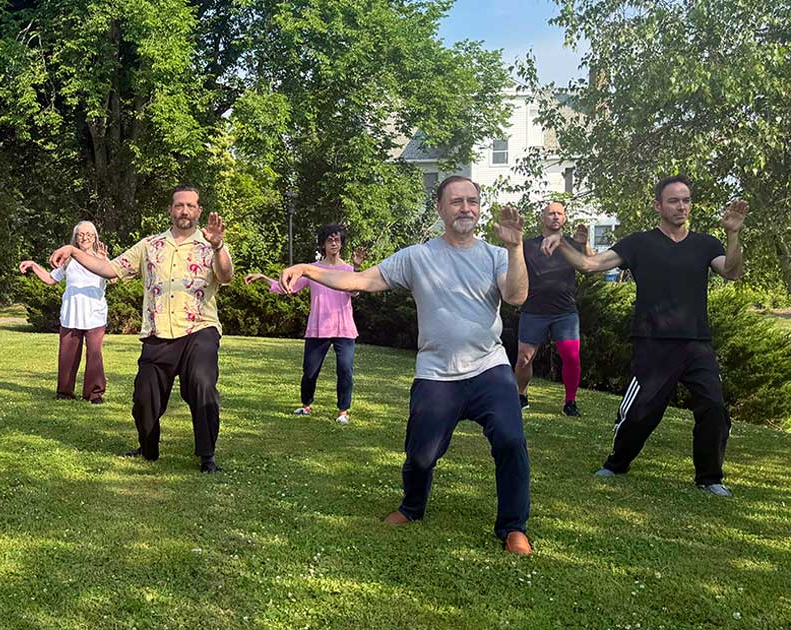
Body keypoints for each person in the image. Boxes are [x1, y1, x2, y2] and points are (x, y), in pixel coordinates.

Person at [278, 176, 533, 554]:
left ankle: (513, 527)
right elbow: (360, 281)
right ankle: (412, 507)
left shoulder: (496, 256)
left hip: (489, 368)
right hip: (436, 374)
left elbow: (516, 295)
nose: (466, 208)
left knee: (511, 441)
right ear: (440, 208)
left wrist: (515, 249)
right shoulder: (417, 257)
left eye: (472, 201)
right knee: (420, 454)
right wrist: (308, 269)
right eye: (457, 201)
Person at [541, 175, 748, 497]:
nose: (682, 206)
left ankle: (710, 477)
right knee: (640, 413)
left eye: (686, 200)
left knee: (714, 408)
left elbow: (733, 272)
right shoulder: (638, 243)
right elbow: (589, 264)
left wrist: (733, 235)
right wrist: (562, 243)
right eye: (674, 200)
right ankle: (617, 463)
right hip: (653, 342)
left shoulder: (706, 244)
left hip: (696, 343)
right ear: (658, 206)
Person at [48, 184, 233, 473]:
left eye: (190, 206)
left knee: (202, 383)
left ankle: (207, 456)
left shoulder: (210, 244)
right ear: (171, 210)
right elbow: (111, 269)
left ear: (198, 210)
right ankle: (148, 449)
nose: (184, 210)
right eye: (178, 205)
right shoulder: (150, 245)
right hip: (158, 332)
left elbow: (225, 276)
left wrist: (219, 246)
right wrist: (72, 250)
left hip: (200, 329)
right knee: (144, 396)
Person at [245, 224, 363, 425]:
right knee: (310, 371)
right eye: (329, 240)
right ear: (323, 245)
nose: (334, 243)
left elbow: (355, 291)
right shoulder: (311, 270)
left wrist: (357, 267)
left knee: (345, 371)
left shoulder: (348, 270)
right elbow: (287, 288)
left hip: (344, 329)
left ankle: (343, 412)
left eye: (337, 240)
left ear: (342, 243)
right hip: (319, 328)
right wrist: (264, 278)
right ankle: (306, 405)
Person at [516, 201, 593, 416]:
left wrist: (585, 244)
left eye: (560, 213)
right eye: (551, 213)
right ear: (543, 218)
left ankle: (570, 402)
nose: (556, 217)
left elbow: (591, 266)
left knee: (571, 356)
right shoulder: (528, 245)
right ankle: (520, 395)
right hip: (534, 310)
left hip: (565, 312)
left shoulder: (571, 244)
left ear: (565, 218)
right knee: (524, 358)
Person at [20, 221, 111, 403]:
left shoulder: (101, 259)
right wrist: (33, 265)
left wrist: (104, 259)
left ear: (95, 238)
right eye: (81, 234)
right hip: (71, 314)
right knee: (67, 356)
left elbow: (114, 278)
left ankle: (94, 394)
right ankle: (64, 393)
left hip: (95, 315)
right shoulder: (68, 260)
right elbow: (51, 279)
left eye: (89, 235)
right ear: (75, 238)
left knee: (94, 354)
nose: (85, 238)